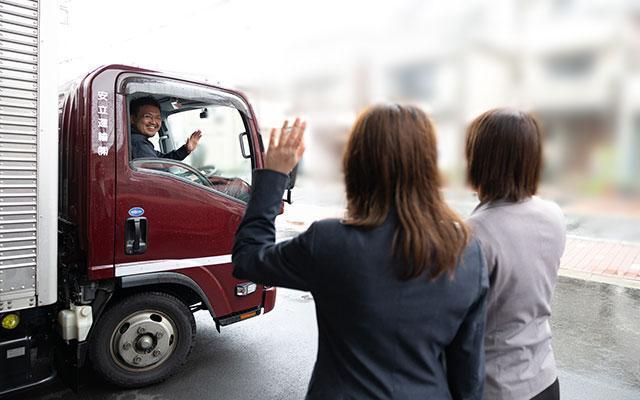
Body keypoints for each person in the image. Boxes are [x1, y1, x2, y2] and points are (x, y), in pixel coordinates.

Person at [233, 105, 489, 399]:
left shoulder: (330, 242)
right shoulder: (467, 251)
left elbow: (248, 260)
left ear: (356, 163)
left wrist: (274, 176)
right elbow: (468, 372)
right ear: (429, 165)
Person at [465, 108, 566, 400]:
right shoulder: (553, 215)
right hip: (545, 378)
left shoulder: (474, 233)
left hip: (497, 387)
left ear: (481, 160)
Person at [129, 96, 202, 160]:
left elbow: (162, 161)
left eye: (158, 117)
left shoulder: (137, 141)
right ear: (133, 119)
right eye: (147, 116)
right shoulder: (137, 142)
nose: (154, 122)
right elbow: (156, 172)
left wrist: (186, 150)